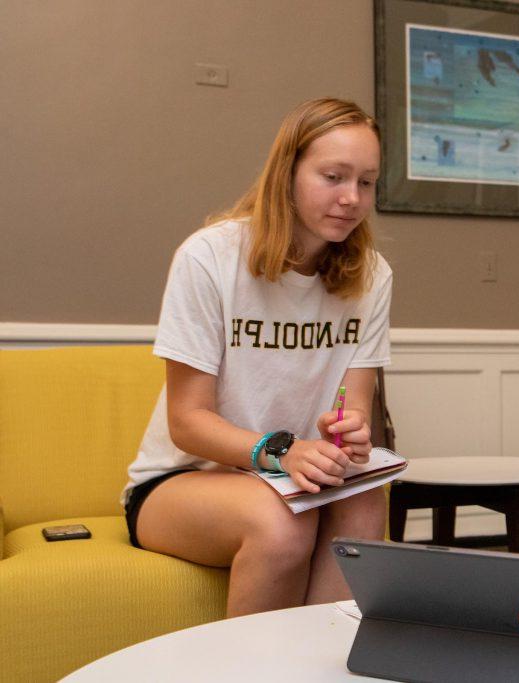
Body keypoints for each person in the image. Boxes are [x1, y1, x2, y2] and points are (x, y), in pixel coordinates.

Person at [121, 97, 392, 617]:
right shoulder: (210, 257)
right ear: (286, 173)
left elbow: (353, 412)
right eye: (333, 176)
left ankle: (321, 670)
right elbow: (188, 423)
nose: (351, 198)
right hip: (180, 482)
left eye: (366, 182)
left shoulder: (372, 275)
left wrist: (351, 434)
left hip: (298, 477)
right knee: (280, 520)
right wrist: (283, 450)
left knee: (363, 507)